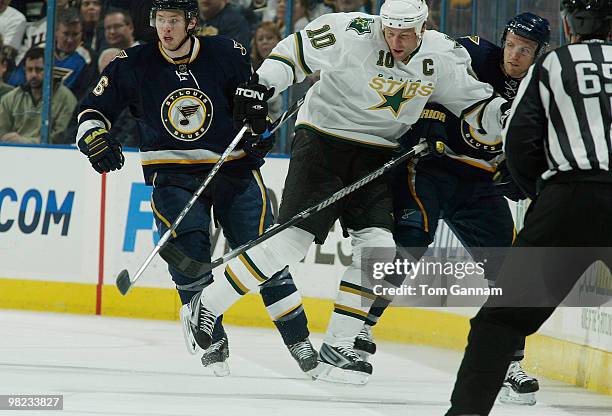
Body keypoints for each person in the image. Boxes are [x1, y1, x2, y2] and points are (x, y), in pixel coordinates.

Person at [181, 0, 508, 385]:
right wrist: (263, 86)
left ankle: (339, 346)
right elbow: (295, 51)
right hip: (323, 140)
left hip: (379, 154)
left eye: (405, 34)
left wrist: (507, 117)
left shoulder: (443, 54)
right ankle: (208, 305)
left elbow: (474, 105)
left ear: (422, 28)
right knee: (291, 243)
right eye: (391, 31)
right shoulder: (351, 30)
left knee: (379, 250)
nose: (396, 41)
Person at [75, 0, 317, 376]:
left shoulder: (226, 53)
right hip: (171, 177)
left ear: (191, 23)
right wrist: (93, 137)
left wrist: (257, 134)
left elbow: (253, 110)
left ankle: (299, 340)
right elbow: (92, 110)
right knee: (188, 257)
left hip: (233, 170)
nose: (165, 29)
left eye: (173, 20)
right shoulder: (132, 63)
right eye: (160, 20)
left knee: (265, 254)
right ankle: (214, 339)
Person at [354, 11, 550, 405]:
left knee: (509, 269)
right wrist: (424, 122)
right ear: (504, 39)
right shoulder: (473, 54)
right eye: (512, 44)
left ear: (539, 52)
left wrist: (520, 171)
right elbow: (429, 70)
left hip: (481, 182)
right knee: (409, 244)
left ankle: (510, 363)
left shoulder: (542, 85)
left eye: (525, 49)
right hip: (432, 168)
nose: (515, 55)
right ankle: (359, 330)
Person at [446, 0, 611, 414]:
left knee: (500, 321)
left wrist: (538, 189)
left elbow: (519, 138)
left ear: (569, 27)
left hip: (568, 198)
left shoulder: (553, 65)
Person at [0, 47, 76, 144]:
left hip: (52, 155)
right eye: (29, 69)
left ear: (51, 69)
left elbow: (61, 137)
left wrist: (24, 142)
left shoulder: (66, 99)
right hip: (14, 154)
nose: (34, 74)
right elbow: (2, 133)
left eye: (39, 70)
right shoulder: (10, 99)